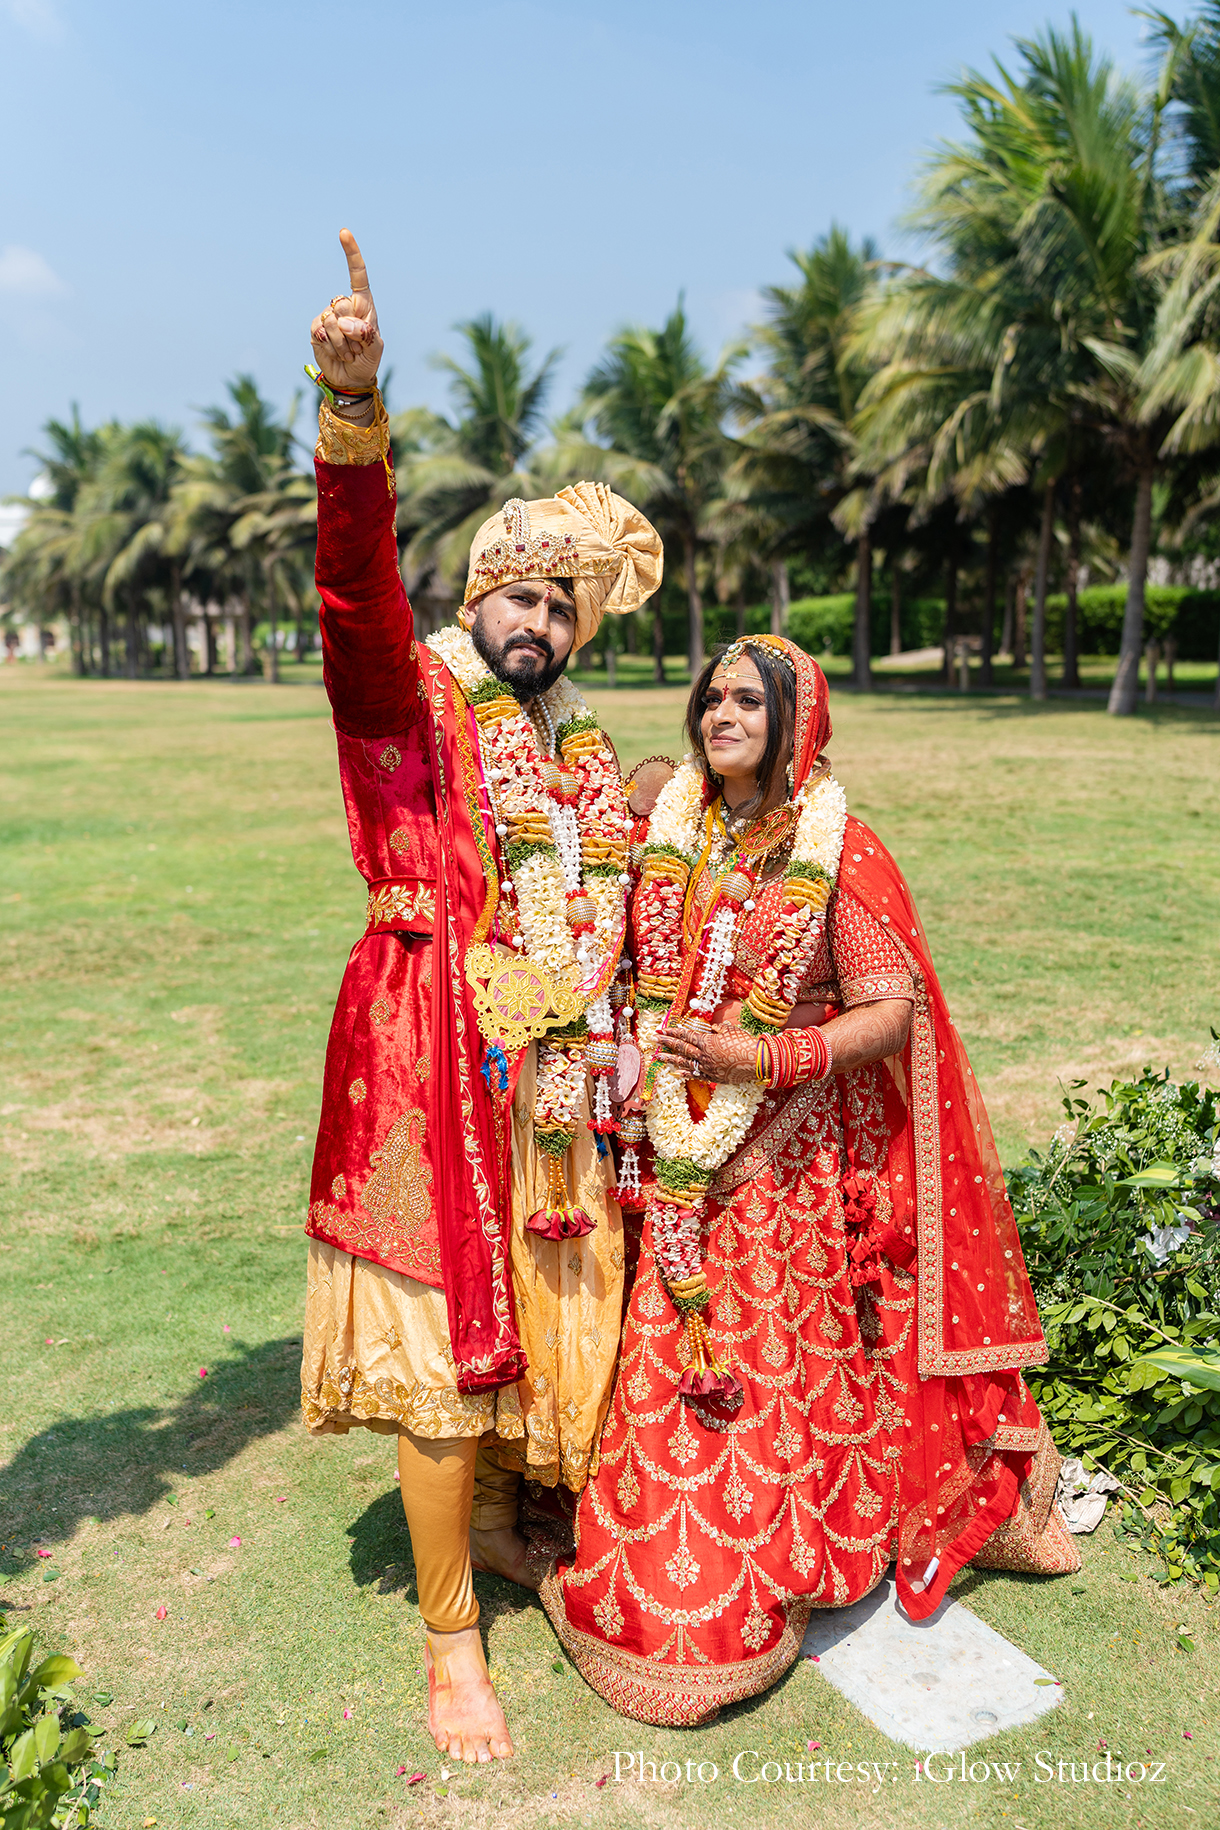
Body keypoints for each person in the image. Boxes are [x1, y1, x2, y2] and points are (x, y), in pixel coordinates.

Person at [542, 634, 1078, 1726]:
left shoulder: (843, 847)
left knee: (776, 1360)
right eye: (709, 698)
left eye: (746, 700)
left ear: (797, 720)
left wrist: (761, 1059)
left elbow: (891, 1012)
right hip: (678, 1145)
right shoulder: (674, 836)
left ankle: (791, 1551)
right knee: (666, 1344)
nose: (719, 715)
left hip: (787, 1157)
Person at [297, 231, 663, 1761]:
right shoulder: (412, 690)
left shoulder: (569, 744)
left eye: (561, 604)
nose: (537, 616)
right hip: (423, 1044)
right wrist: (352, 413)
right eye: (514, 591)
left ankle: (510, 1528)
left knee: (554, 1305)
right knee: (444, 1345)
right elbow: (352, 593)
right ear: (474, 598)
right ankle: (453, 1643)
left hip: (553, 1058)